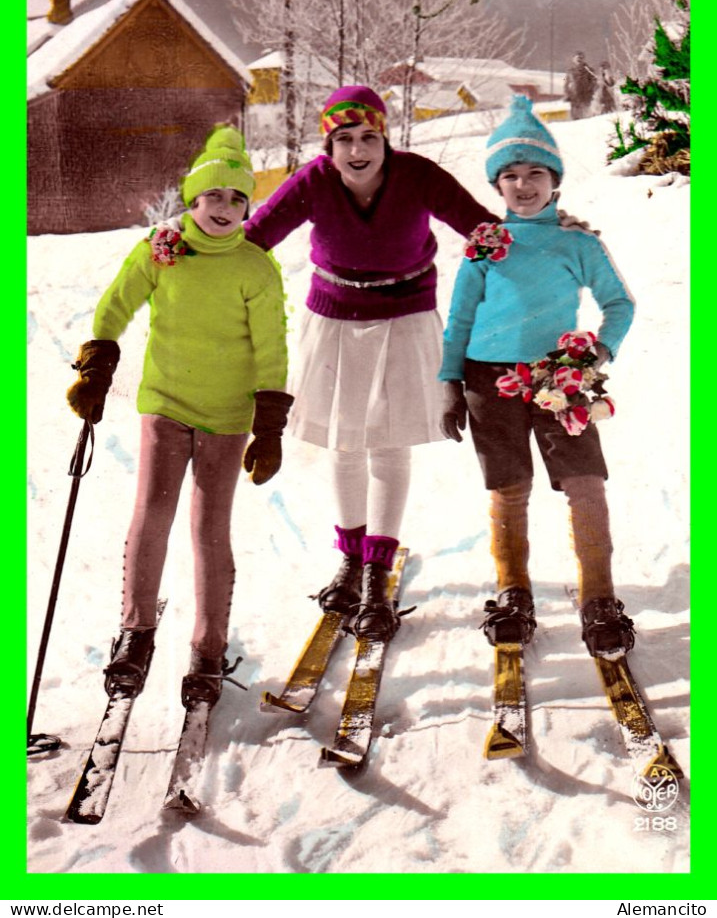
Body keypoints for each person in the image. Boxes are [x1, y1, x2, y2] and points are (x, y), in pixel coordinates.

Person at [243, 85, 500, 640]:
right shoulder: (313, 181)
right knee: (344, 441)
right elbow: (254, 236)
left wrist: (546, 238)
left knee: (388, 442)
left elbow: (482, 229)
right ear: (328, 146)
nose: (357, 150)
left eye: (368, 137)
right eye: (344, 140)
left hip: (405, 317)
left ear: (385, 137)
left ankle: (378, 574)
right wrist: (186, 250)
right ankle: (351, 559)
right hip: (334, 320)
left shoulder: (417, 174)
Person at [66, 126, 292, 707]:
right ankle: (136, 635)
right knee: (153, 511)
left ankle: (209, 648)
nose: (223, 208)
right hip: (166, 403)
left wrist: (268, 422)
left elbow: (271, 347)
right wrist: (98, 363)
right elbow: (116, 302)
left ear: (248, 207)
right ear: (192, 200)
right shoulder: (161, 250)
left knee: (208, 526)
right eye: (212, 196)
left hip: (226, 412)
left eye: (236, 199)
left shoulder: (255, 266)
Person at [439, 95, 636, 658]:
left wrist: (595, 354)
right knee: (508, 487)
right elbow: (459, 320)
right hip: (487, 380)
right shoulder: (484, 250)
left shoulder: (578, 242)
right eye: (511, 176)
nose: (523, 186)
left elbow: (619, 304)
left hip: (560, 380)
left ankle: (599, 598)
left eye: (535, 174)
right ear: (496, 185)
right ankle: (513, 592)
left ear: (555, 181)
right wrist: (450, 384)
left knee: (584, 482)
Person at [564, 51, 597, 120]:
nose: (579, 60)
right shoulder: (570, 71)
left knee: (586, 118)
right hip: (574, 98)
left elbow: (594, 82)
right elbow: (566, 84)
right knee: (575, 119)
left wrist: (590, 90)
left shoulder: (589, 70)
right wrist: (567, 95)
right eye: (577, 58)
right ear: (573, 60)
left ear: (584, 59)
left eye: (581, 58)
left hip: (586, 97)